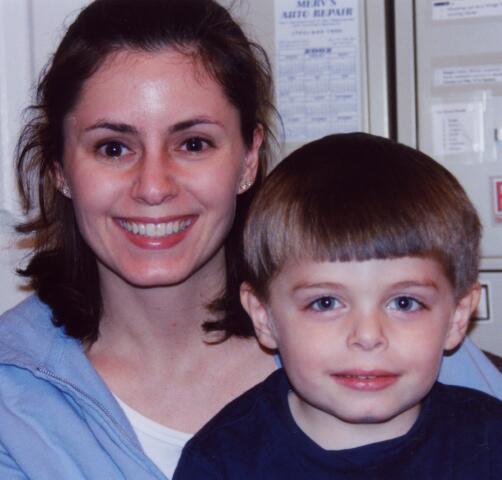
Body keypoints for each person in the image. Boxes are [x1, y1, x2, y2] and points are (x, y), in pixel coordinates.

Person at [0, 0, 500, 478]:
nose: (153, 187)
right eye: (113, 148)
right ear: (59, 167)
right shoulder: (13, 400)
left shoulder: (410, 341)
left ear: (248, 159)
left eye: (193, 143)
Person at [173, 133, 502, 479]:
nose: (368, 336)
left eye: (404, 303)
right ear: (263, 316)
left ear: (457, 317)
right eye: (325, 302)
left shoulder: (491, 443)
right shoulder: (222, 463)